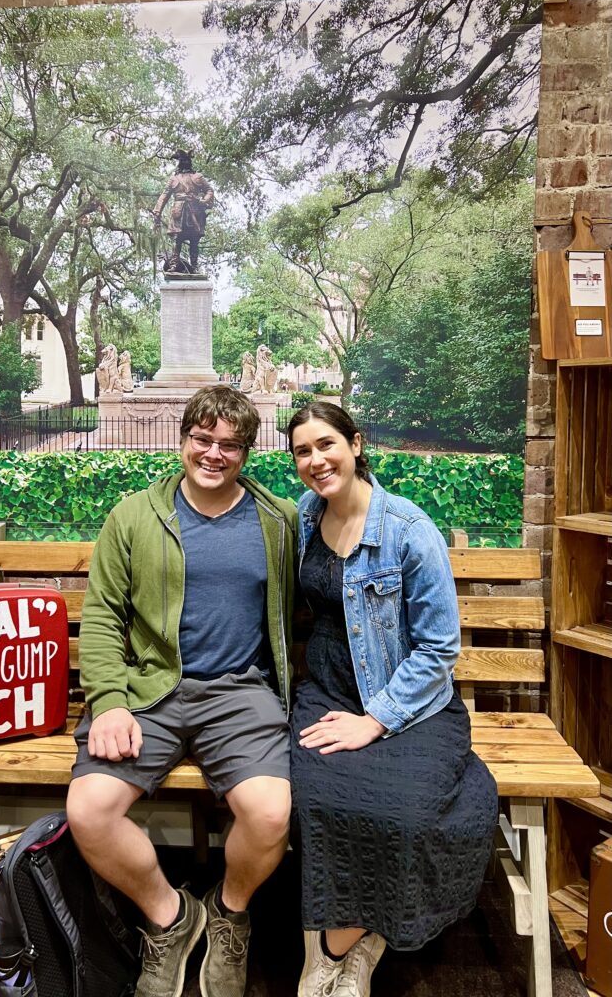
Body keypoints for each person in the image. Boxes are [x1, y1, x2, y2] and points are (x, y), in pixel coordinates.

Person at [67, 385, 297, 997]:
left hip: (241, 693)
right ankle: (171, 918)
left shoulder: (279, 521)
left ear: (247, 451)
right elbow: (102, 618)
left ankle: (230, 913)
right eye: (203, 439)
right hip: (152, 690)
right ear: (183, 438)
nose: (214, 454)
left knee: (271, 814)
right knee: (89, 811)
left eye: (229, 445)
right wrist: (110, 701)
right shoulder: (134, 516)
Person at [286, 402, 498, 997]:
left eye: (326, 444)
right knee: (316, 800)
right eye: (303, 451)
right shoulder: (306, 516)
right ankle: (350, 948)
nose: (316, 460)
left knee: (403, 812)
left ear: (355, 444)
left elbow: (438, 649)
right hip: (326, 688)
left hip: (409, 698)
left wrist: (375, 720)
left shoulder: (408, 530)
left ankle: (334, 949)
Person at [153, 149, 214, 273]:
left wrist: (204, 200)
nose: (184, 162)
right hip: (178, 212)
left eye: (186, 160)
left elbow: (209, 190)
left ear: (190, 161)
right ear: (179, 162)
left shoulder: (198, 177)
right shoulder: (174, 179)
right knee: (177, 239)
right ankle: (174, 265)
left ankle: (195, 266)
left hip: (195, 212)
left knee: (194, 240)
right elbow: (164, 196)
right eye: (182, 160)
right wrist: (157, 212)